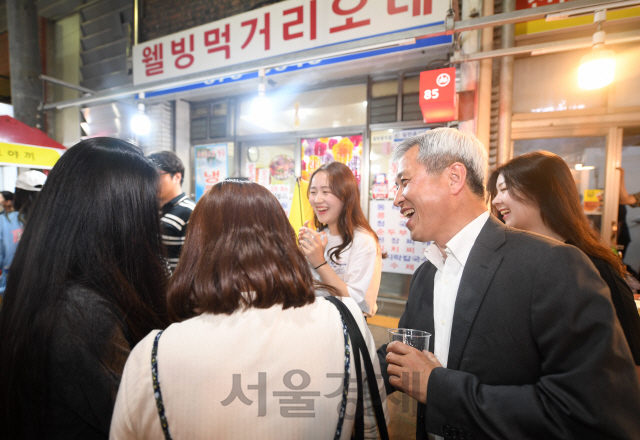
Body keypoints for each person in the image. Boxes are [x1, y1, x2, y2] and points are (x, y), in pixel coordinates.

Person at [378, 127, 640, 440]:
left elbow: (593, 411)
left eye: (404, 182)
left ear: (454, 177)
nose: (396, 199)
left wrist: (438, 388)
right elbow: (401, 356)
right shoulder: (427, 274)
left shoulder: (552, 265)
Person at [110, 179, 388, 439]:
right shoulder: (344, 321)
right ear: (282, 240)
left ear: (196, 247)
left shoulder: (152, 354)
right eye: (313, 191)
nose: (317, 198)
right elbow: (372, 426)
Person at [0, 138, 169, 439]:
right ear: (120, 220)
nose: (151, 223)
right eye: (147, 211)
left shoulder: (46, 282)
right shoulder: (82, 313)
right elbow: (144, 423)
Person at [488, 151, 640, 378]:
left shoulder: (596, 267)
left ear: (542, 191)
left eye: (504, 189)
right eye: (495, 192)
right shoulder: (515, 264)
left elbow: (632, 360)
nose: (496, 201)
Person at [299, 162, 383, 316]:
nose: (317, 199)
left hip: (346, 329)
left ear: (346, 195)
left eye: (326, 191)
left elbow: (357, 303)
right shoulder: (319, 235)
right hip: (315, 323)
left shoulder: (364, 241)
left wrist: (319, 263)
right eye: (313, 191)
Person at [147, 150, 196, 271]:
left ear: (177, 177)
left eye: (157, 175)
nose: (152, 182)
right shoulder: (150, 210)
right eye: (149, 176)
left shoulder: (190, 212)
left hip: (175, 287)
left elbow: (193, 262)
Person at [0, 171, 46, 296]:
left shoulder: (4, 221)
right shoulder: (56, 220)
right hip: (49, 293)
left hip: (12, 291)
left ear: (17, 194)